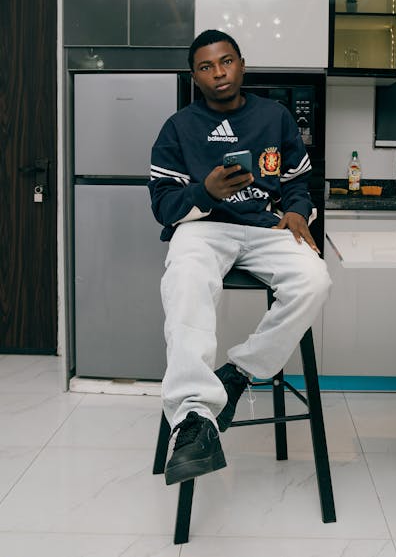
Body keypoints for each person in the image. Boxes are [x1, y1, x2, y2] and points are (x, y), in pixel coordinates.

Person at [148, 29, 332, 485]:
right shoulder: (178, 127)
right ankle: (193, 416)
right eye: (206, 67)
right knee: (185, 274)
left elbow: (296, 182)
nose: (218, 73)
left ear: (242, 64)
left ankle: (240, 371)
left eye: (225, 62)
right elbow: (162, 205)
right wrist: (204, 192)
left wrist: (295, 211)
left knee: (315, 278)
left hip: (265, 226)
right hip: (204, 227)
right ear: (195, 76)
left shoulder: (276, 117)